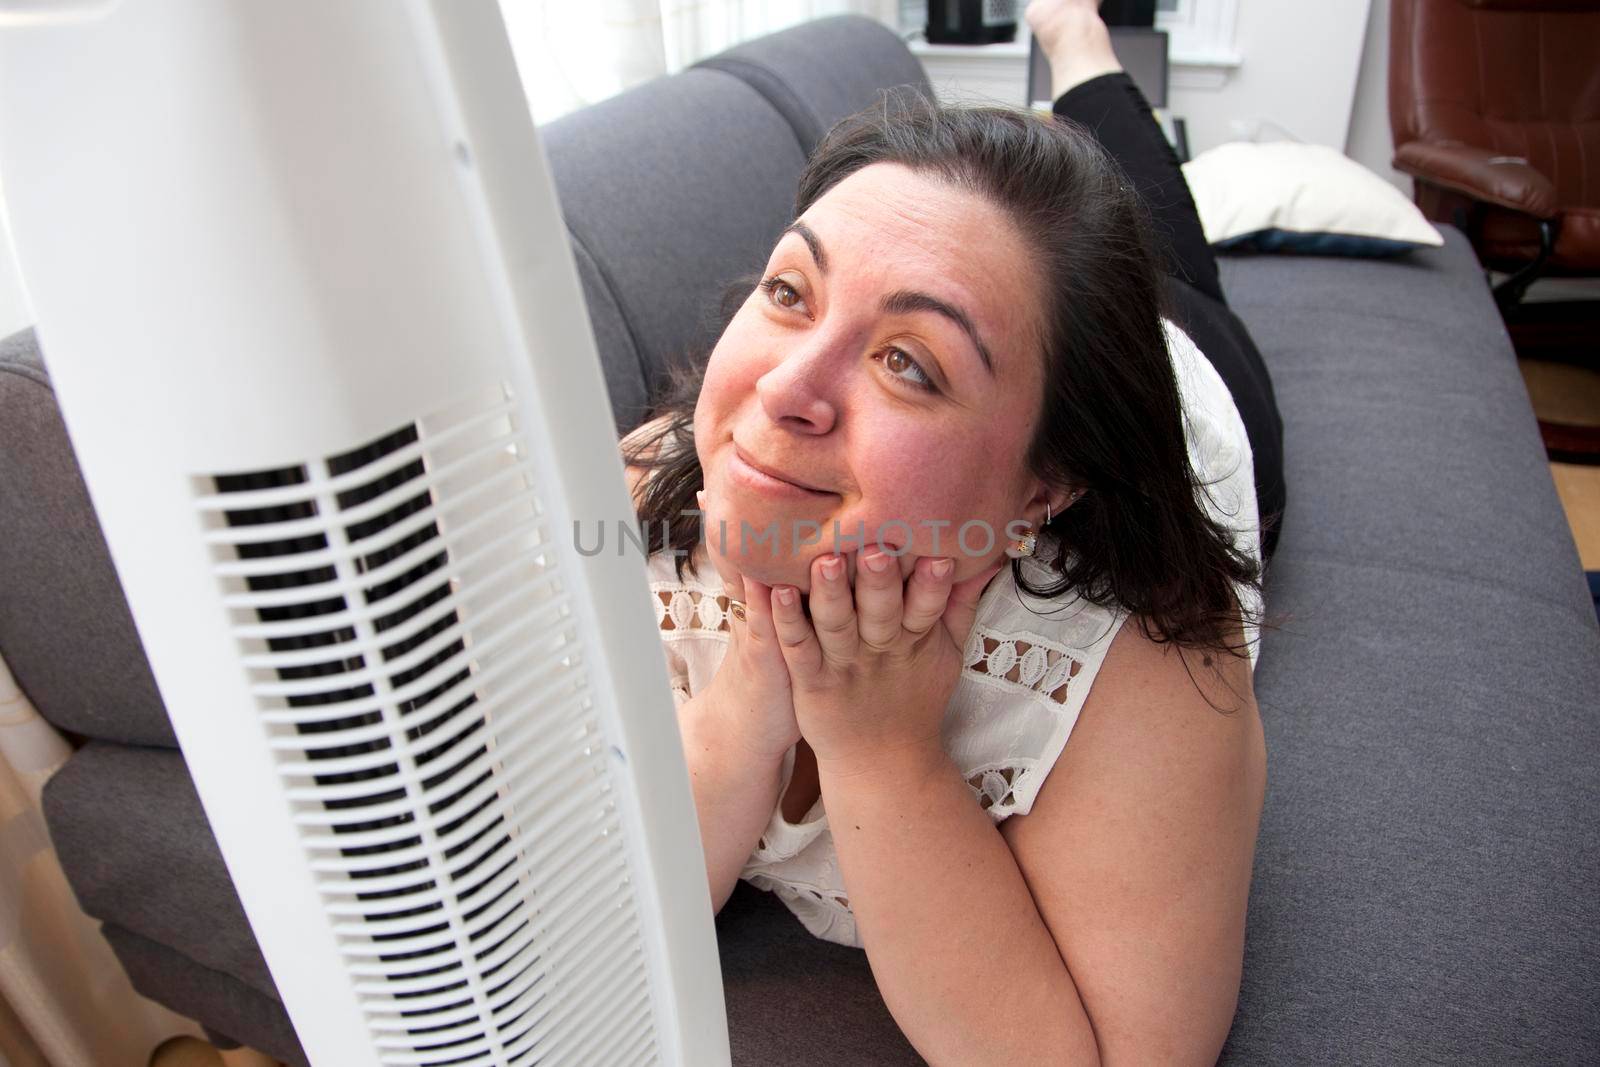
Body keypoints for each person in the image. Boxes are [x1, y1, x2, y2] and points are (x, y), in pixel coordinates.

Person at [621, 1, 1276, 1061]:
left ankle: (1081, 50)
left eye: (909, 363)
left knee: (1183, 277)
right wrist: (757, 677)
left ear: (1039, 491)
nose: (785, 389)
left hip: (1185, 399)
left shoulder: (1149, 652)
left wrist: (884, 751)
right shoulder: (650, 489)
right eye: (789, 289)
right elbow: (602, 928)